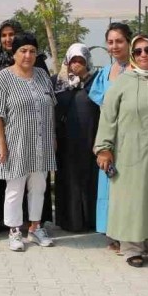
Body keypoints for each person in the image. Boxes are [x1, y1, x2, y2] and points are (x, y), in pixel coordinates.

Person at [94, 34, 148, 267]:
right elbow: (108, 117)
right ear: (132, 55)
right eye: (138, 51)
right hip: (130, 152)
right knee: (132, 199)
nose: (143, 55)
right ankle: (132, 247)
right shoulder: (123, 83)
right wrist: (104, 148)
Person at [0, 32, 56, 252]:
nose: (28, 55)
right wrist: (2, 144)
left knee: (39, 186)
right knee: (14, 188)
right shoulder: (3, 78)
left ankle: (35, 228)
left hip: (40, 143)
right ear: (14, 54)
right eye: (23, 51)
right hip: (15, 143)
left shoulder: (42, 76)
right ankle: (15, 231)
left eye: (32, 51)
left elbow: (51, 108)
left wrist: (52, 137)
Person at [88, 22, 133, 251]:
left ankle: (131, 233)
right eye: (111, 42)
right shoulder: (105, 73)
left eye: (119, 41)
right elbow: (100, 101)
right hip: (109, 136)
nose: (115, 46)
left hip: (132, 137)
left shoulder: (138, 70)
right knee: (109, 183)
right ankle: (113, 232)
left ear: (129, 42)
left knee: (129, 185)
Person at [53, 43, 101, 233]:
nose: (77, 65)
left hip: (90, 138)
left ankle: (91, 220)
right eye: (73, 61)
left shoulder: (95, 82)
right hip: (66, 141)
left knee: (90, 179)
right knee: (69, 179)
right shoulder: (58, 82)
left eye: (81, 60)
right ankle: (71, 221)